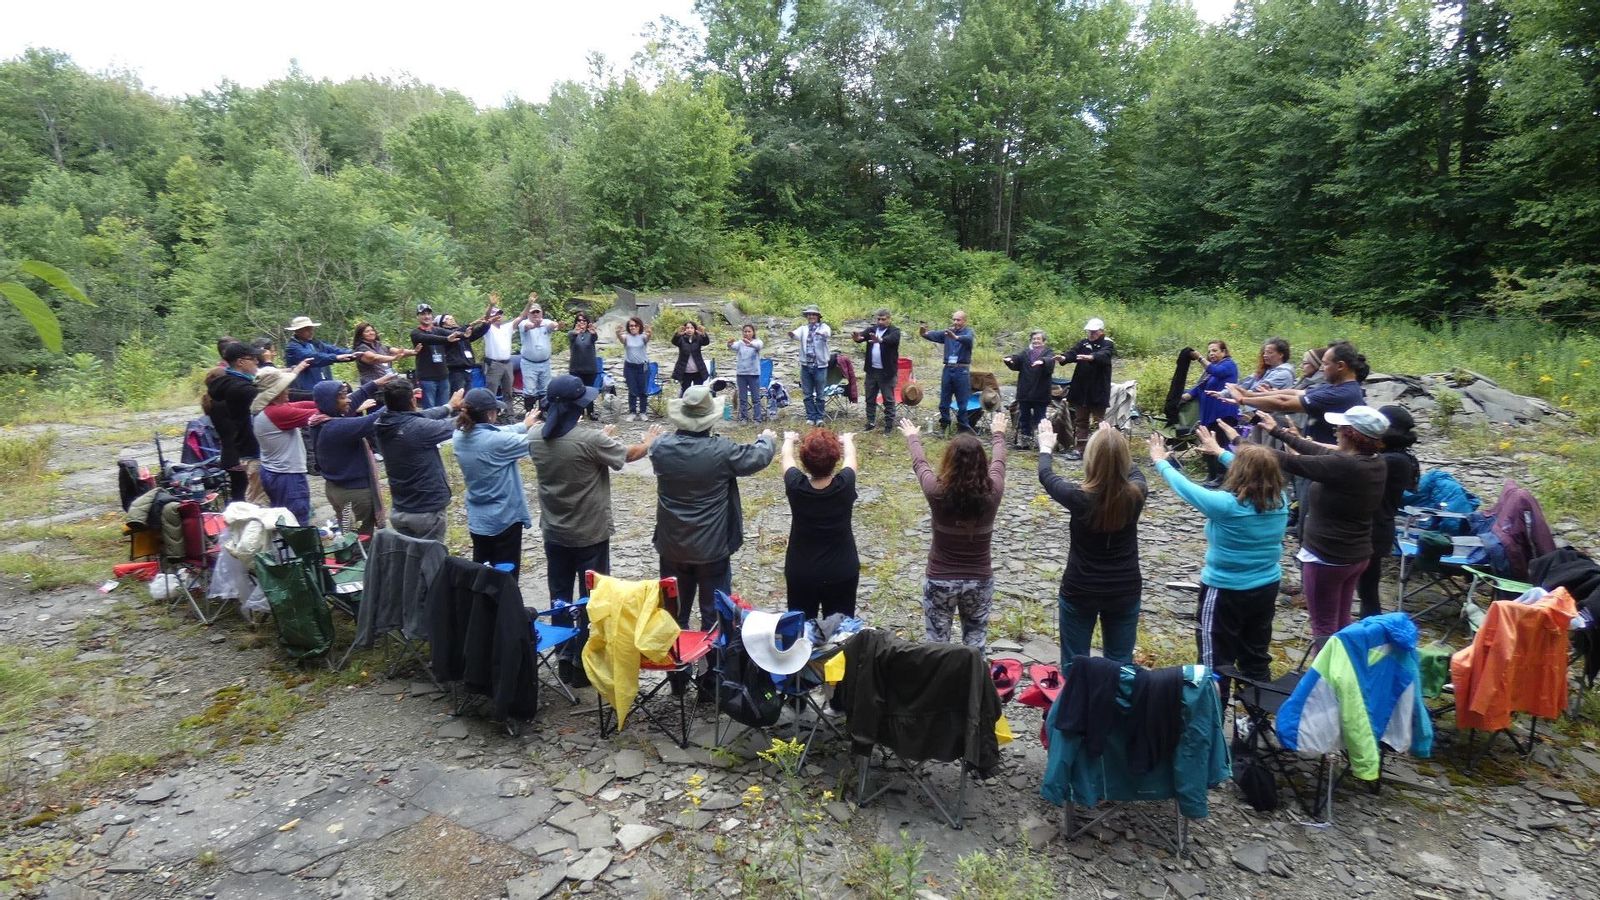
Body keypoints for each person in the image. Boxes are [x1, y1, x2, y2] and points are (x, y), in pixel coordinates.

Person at [527, 375, 663, 687]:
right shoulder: (590, 441)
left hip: (554, 530)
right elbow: (629, 455)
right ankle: (586, 660)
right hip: (589, 531)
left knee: (560, 595)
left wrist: (600, 438)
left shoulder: (535, 437)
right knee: (593, 598)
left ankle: (563, 655)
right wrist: (648, 442)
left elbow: (571, 447)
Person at [1150, 428, 1288, 702]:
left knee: (1214, 662)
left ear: (1238, 472)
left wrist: (1160, 461)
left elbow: (1185, 488)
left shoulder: (1226, 506)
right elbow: (1257, 471)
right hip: (1266, 588)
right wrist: (1220, 452)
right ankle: (1255, 721)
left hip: (1225, 591)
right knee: (1255, 657)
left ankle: (1212, 718)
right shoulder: (1279, 500)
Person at [1247, 405, 1388, 651]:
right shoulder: (1374, 462)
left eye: (1339, 428)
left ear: (1350, 434)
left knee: (1323, 626)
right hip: (1355, 555)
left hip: (1328, 558)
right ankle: (1346, 667)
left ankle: (1324, 673)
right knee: (1341, 620)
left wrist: (1240, 444)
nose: (1336, 432)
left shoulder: (1346, 466)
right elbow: (1320, 453)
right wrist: (1278, 432)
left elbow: (1292, 461)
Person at [650, 384, 776, 648]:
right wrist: (767, 438)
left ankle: (678, 666)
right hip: (712, 547)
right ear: (709, 419)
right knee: (715, 617)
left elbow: (653, 448)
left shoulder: (660, 448)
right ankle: (713, 669)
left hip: (672, 546)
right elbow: (757, 457)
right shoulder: (721, 450)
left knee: (673, 615)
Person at [1037, 420, 1147, 664]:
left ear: (1090, 459)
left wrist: (1046, 447)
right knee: (1120, 664)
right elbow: (1133, 471)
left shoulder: (1077, 497)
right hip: (1124, 589)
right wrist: (1113, 445)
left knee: (1075, 662)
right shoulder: (1137, 493)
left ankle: (1078, 691)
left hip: (1080, 588)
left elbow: (1046, 476)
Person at [900, 410, 1009, 647]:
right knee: (975, 644)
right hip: (979, 579)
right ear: (982, 462)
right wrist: (998, 434)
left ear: (949, 461)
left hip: (940, 578)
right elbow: (999, 463)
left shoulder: (936, 491)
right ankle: (974, 673)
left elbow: (920, 465)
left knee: (937, 647)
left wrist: (913, 437)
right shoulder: (994, 491)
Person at [452, 388, 541, 576]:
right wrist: (560, 426)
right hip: (504, 520)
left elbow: (497, 432)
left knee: (482, 576)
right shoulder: (496, 442)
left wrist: (523, 425)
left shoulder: (459, 435)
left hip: (478, 520)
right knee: (506, 579)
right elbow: (538, 442)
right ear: (489, 414)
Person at [373, 377, 466, 543]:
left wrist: (449, 406)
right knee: (432, 557)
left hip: (400, 508)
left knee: (410, 557)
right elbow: (454, 424)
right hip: (425, 512)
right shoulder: (418, 428)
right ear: (413, 400)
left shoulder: (381, 423)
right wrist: (475, 408)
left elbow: (421, 415)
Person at [782, 428, 860, 618]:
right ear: (835, 459)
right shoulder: (845, 484)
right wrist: (847, 440)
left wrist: (789, 439)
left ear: (804, 461)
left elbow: (786, 458)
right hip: (842, 569)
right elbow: (851, 458)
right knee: (840, 630)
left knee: (801, 629)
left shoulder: (795, 485)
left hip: (801, 570)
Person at [1356, 406, 1420, 619]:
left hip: (1376, 529)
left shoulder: (1392, 460)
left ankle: (1371, 627)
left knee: (1368, 588)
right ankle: (1369, 626)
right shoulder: (1399, 457)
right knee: (1366, 585)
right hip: (1379, 526)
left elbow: (1350, 462)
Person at [311, 377, 389, 536]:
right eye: (342, 397)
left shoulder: (320, 419)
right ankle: (362, 553)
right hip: (353, 495)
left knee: (348, 531)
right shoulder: (335, 427)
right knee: (360, 538)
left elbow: (353, 401)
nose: (348, 400)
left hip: (336, 489)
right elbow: (373, 420)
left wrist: (375, 384)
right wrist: (398, 398)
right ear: (330, 402)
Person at [250, 361, 323, 524]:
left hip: (273, 472)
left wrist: (331, 396)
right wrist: (342, 402)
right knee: (296, 522)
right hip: (287, 476)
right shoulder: (278, 412)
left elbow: (305, 404)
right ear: (277, 392)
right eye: (285, 387)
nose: (288, 389)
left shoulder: (268, 409)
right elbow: (321, 412)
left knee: (283, 519)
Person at [207, 342, 263, 502]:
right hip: (243, 452)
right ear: (240, 362)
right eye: (253, 358)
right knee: (252, 500)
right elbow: (268, 397)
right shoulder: (238, 389)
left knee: (244, 496)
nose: (257, 361)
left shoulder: (231, 387)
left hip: (236, 452)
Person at [1185, 341, 1240, 488]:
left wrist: (1200, 358)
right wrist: (1186, 396)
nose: (1211, 354)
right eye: (1209, 351)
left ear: (1224, 352)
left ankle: (1223, 477)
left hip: (1223, 413)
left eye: (1215, 351)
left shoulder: (1229, 365)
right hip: (1209, 414)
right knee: (1207, 443)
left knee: (1221, 445)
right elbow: (1200, 387)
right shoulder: (1210, 371)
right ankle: (1212, 474)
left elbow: (1216, 372)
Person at [1061, 317, 1114, 459]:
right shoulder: (1083, 343)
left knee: (1099, 421)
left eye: (1094, 331)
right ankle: (1080, 449)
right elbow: (1073, 353)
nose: (1091, 334)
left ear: (1101, 331)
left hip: (1098, 390)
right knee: (1081, 421)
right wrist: (1064, 358)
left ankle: (1101, 451)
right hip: (1081, 389)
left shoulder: (1107, 343)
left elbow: (1105, 355)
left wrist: (1092, 357)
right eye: (1089, 331)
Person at [920, 310, 975, 434]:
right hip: (948, 369)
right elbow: (929, 335)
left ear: (965, 321)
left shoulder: (968, 332)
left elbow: (968, 340)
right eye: (954, 319)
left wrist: (956, 337)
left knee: (962, 402)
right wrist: (923, 331)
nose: (955, 322)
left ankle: (963, 429)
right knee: (944, 401)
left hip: (961, 370)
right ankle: (944, 426)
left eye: (958, 320)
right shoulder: (947, 332)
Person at [1002, 330, 1056, 450]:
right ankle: (1025, 442)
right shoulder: (1026, 352)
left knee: (1040, 419)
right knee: (1024, 418)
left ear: (1043, 341)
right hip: (1025, 392)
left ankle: (1043, 442)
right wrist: (1010, 361)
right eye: (1034, 339)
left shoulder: (1048, 352)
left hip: (1040, 393)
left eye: (1038, 339)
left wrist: (1042, 361)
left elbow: (1050, 362)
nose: (1036, 341)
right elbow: (1016, 361)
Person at [851, 309, 901, 434]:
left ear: (889, 319)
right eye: (878, 319)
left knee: (888, 400)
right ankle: (870, 423)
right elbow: (861, 337)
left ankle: (888, 427)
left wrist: (880, 340)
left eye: (883, 319)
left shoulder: (894, 331)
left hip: (886, 373)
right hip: (871, 371)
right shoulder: (871, 330)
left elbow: (892, 340)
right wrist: (857, 337)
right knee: (869, 398)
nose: (880, 321)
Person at [283, 316, 356, 401]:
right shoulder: (292, 347)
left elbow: (334, 350)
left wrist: (354, 353)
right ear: (297, 331)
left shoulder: (315, 343)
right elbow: (314, 357)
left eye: (311, 329)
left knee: (346, 390)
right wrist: (335, 357)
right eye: (307, 329)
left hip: (321, 385)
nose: (311, 332)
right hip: (305, 390)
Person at [410, 302, 463, 409]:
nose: (426, 316)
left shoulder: (438, 330)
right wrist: (446, 339)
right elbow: (429, 339)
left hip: (443, 376)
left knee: (445, 408)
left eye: (429, 314)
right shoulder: (416, 333)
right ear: (418, 317)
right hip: (427, 378)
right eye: (423, 314)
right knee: (430, 409)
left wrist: (466, 332)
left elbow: (455, 333)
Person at [514, 293, 560, 406]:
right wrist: (534, 326)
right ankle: (529, 412)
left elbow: (553, 325)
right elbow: (527, 327)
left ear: (541, 313)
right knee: (530, 390)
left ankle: (543, 412)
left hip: (545, 363)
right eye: (533, 312)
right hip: (529, 363)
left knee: (545, 389)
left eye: (537, 312)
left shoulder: (546, 322)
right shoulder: (524, 323)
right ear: (528, 314)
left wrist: (556, 325)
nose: (535, 314)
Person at [791, 306, 832, 427]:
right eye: (809, 314)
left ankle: (819, 417)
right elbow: (795, 334)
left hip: (820, 366)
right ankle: (810, 416)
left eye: (813, 314)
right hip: (806, 365)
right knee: (807, 394)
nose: (811, 316)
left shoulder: (824, 327)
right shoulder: (803, 328)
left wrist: (821, 333)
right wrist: (791, 334)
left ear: (818, 316)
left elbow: (827, 333)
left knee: (820, 394)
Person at [480, 296, 518, 409]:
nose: (498, 317)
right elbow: (486, 318)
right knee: (491, 391)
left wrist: (529, 304)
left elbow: (521, 317)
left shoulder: (507, 327)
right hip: (493, 364)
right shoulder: (488, 328)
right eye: (495, 315)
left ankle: (509, 414)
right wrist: (491, 305)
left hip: (507, 363)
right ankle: (490, 414)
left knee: (508, 392)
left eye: (500, 314)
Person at [439, 312, 490, 396]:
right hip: (455, 371)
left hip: (468, 369)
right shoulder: (443, 334)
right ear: (442, 323)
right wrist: (472, 323)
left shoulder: (463, 333)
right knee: (458, 396)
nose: (452, 319)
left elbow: (476, 333)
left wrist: (487, 324)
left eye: (452, 318)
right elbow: (456, 333)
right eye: (448, 319)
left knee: (467, 396)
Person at [351, 322, 415, 386]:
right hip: (373, 384)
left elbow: (399, 352)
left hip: (388, 382)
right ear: (361, 335)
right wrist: (393, 358)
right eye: (367, 331)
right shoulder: (361, 348)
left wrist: (414, 352)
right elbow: (374, 358)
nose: (371, 333)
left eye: (372, 330)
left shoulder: (380, 346)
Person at [614, 316, 652, 421]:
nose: (633, 327)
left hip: (642, 367)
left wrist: (649, 333)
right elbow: (621, 339)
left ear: (639, 326)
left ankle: (643, 412)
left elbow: (648, 337)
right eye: (631, 326)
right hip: (630, 367)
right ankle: (632, 412)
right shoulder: (626, 337)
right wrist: (618, 333)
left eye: (636, 325)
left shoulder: (643, 337)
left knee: (643, 390)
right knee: (632, 390)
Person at [728, 323, 766, 423]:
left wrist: (750, 344)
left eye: (749, 331)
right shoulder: (740, 343)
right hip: (741, 374)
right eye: (745, 331)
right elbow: (732, 347)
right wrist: (729, 344)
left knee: (756, 398)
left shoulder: (758, 342)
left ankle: (757, 418)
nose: (747, 333)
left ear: (753, 332)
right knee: (742, 398)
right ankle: (743, 418)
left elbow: (759, 346)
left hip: (753, 374)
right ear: (742, 332)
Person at [566, 312, 601, 420]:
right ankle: (578, 412)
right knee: (577, 391)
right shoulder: (572, 333)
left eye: (584, 320)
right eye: (579, 320)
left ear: (587, 322)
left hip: (590, 368)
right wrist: (576, 333)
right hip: (576, 368)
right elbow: (571, 337)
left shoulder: (591, 333)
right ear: (576, 322)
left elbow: (595, 338)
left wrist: (593, 333)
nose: (582, 322)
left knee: (589, 390)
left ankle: (590, 412)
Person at [670, 320, 712, 396]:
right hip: (685, 372)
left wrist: (704, 334)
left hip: (698, 371)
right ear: (684, 329)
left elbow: (706, 342)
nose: (689, 330)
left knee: (698, 392)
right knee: (686, 392)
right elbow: (674, 341)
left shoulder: (698, 338)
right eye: (687, 328)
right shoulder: (681, 339)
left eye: (692, 328)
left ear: (695, 329)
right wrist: (677, 334)